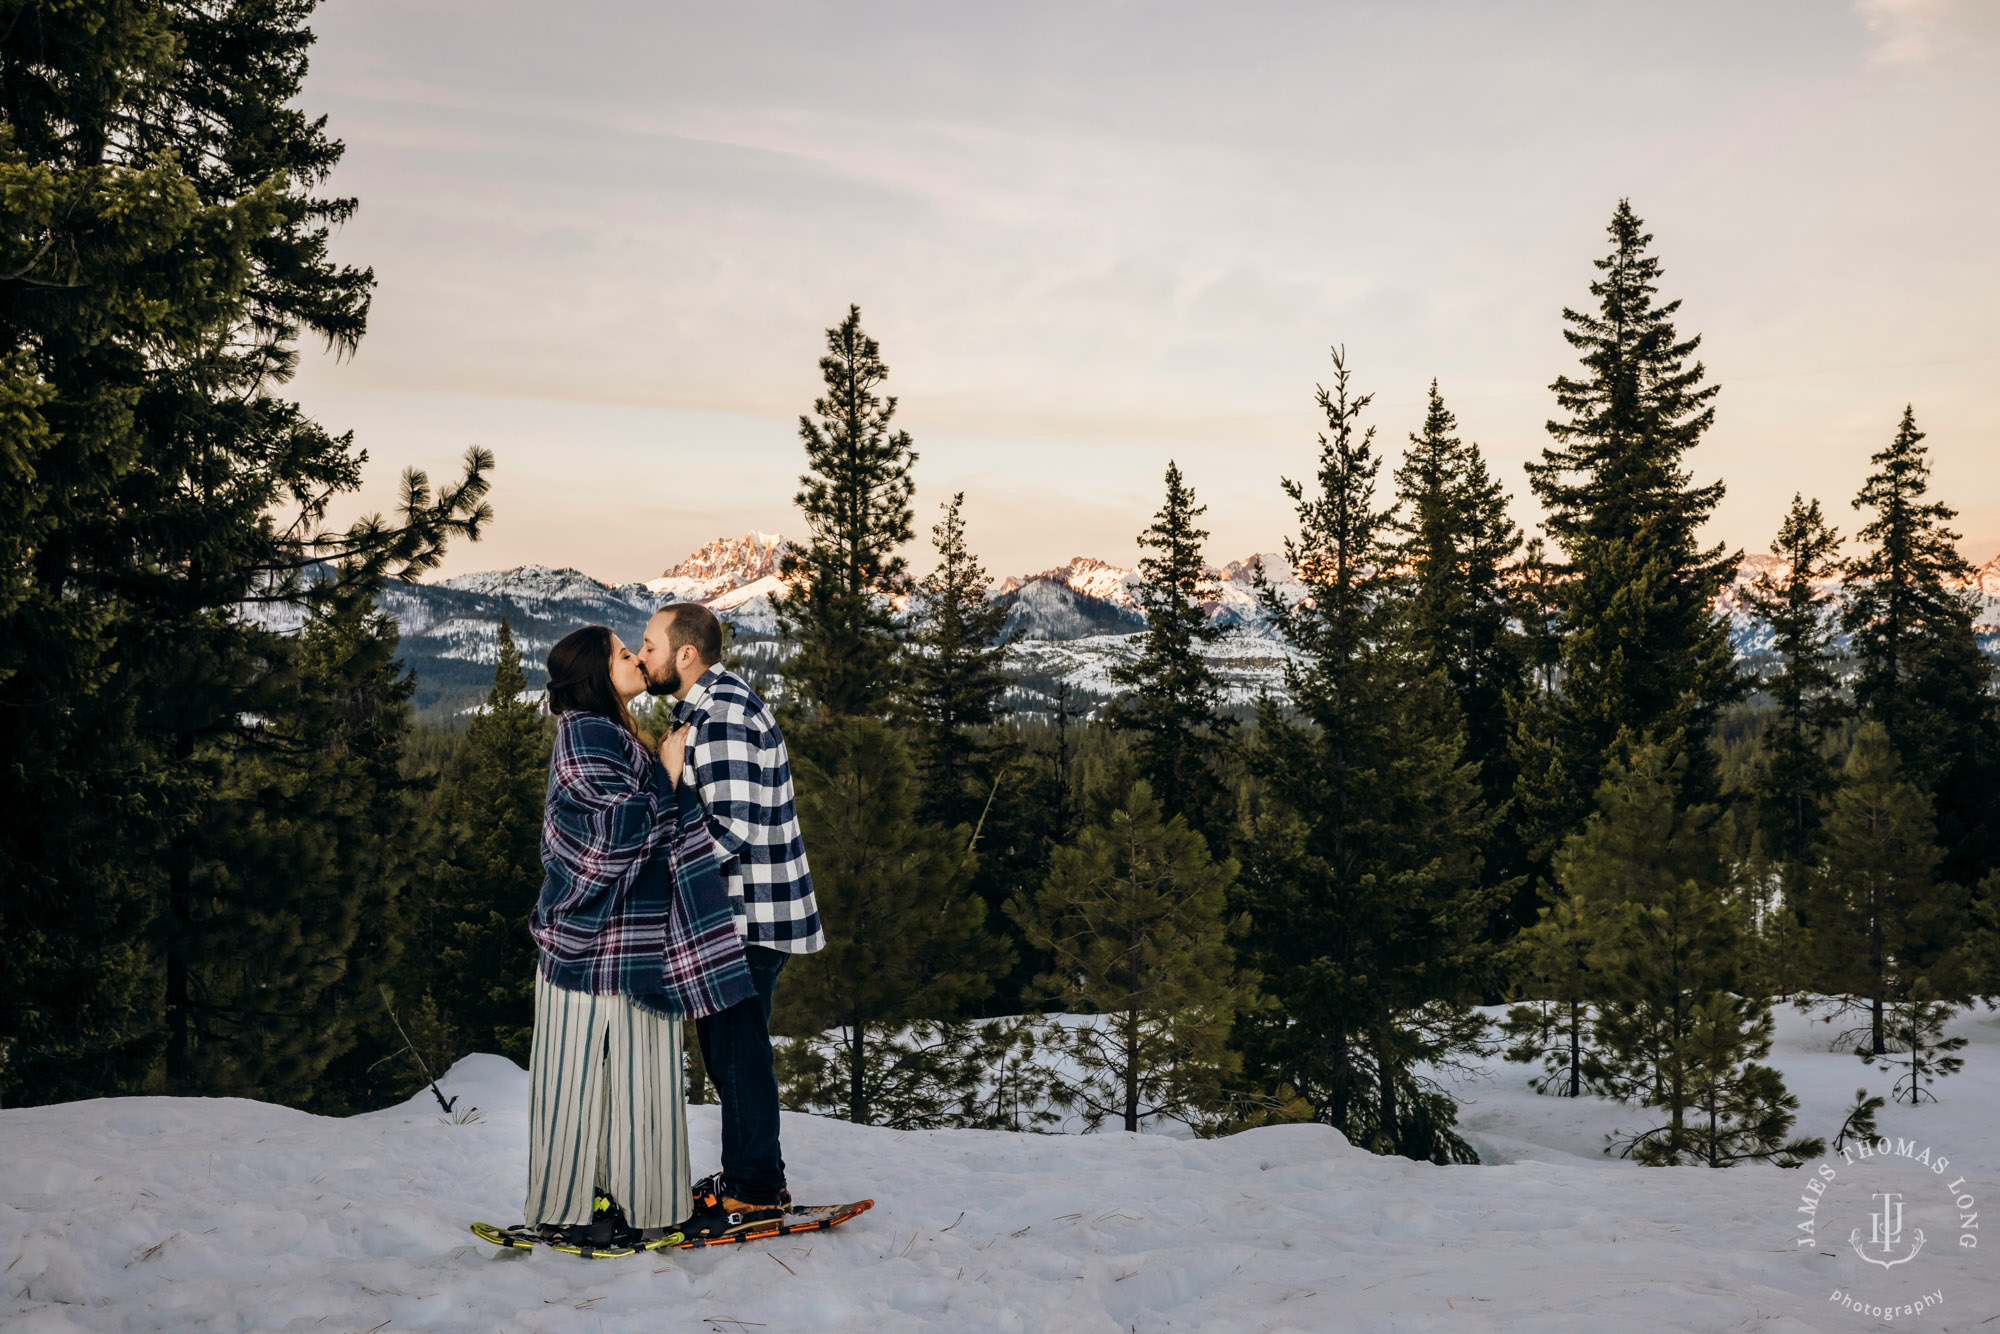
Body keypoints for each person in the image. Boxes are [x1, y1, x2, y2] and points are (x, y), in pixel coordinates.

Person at [523, 624, 758, 1252]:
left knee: (632, 1080)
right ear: (598, 673)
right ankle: (573, 1208)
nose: (635, 658)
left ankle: (634, 1204)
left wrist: (658, 772)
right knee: (586, 1079)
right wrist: (668, 774)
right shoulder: (587, 732)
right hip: (594, 942)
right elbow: (611, 838)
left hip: (628, 942)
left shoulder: (610, 728)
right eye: (624, 654)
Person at [640, 602, 823, 1242]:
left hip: (748, 915)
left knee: (737, 1049)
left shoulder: (722, 715)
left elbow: (731, 828)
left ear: (686, 654)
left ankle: (752, 1189)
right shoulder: (703, 710)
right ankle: (753, 1175)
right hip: (735, 915)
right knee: (727, 1049)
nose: (643, 657)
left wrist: (661, 867)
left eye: (650, 644)